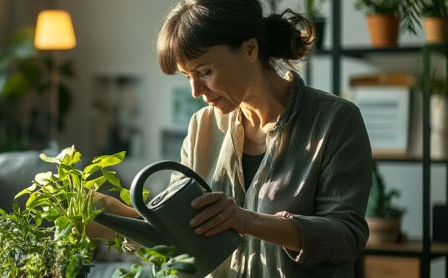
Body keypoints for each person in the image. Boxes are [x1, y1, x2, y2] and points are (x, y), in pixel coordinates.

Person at [94, 0, 372, 277]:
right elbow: (179, 242)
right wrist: (112, 212)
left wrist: (245, 220)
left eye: (204, 71)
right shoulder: (201, 126)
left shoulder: (334, 120)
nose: (195, 90)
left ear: (250, 49)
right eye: (187, 76)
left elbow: (345, 236)